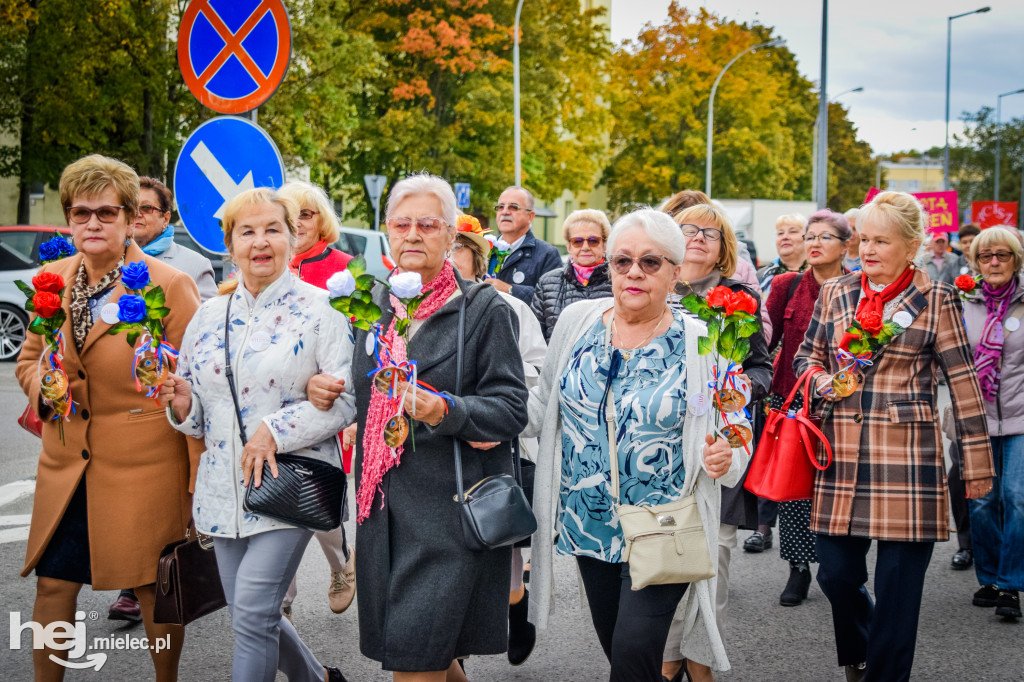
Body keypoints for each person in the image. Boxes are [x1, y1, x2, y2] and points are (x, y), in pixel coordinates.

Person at [309, 173, 528, 682]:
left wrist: (444, 410)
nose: (412, 234)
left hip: (449, 516)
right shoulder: (374, 307)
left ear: (452, 235)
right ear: (387, 231)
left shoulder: (484, 309)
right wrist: (326, 388)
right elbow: (358, 397)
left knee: (414, 659)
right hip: (382, 512)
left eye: (427, 224)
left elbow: (511, 408)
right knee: (431, 655)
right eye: (401, 223)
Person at [525, 208, 749, 681]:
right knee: (624, 654)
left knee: (631, 655)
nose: (633, 272)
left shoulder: (704, 341)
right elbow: (541, 404)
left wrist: (726, 453)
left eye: (650, 263)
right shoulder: (576, 322)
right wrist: (471, 415)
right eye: (621, 261)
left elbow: (736, 427)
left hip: (665, 525)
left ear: (674, 272)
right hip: (589, 523)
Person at [794, 190, 995, 682]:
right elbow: (806, 358)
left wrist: (977, 467)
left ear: (911, 246)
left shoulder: (938, 299)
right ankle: (860, 648)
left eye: (881, 241)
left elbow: (964, 385)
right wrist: (822, 380)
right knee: (836, 576)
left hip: (908, 459)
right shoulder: (836, 292)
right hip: (839, 454)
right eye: (864, 239)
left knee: (900, 591)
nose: (868, 250)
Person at [15, 154, 200, 680]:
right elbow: (27, 360)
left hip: (145, 467)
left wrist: (196, 480)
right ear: (69, 219)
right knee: (53, 584)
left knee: (151, 587)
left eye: (106, 213)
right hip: (68, 464)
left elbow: (194, 388)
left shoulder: (166, 284)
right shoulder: (52, 280)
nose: (92, 224)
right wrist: (44, 387)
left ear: (128, 219)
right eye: (80, 213)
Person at [161, 187, 356, 682]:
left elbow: (349, 401)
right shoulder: (208, 316)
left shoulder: (323, 308)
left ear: (294, 238)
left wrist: (275, 429)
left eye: (273, 228)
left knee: (251, 613)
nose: (260, 241)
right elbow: (201, 413)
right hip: (221, 491)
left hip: (290, 483)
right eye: (247, 231)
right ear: (230, 244)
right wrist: (183, 405)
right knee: (251, 613)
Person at [665, 202, 772, 682]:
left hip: (719, 452)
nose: (698, 238)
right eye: (687, 229)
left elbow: (762, 369)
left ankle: (702, 661)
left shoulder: (740, 298)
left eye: (711, 233)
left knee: (715, 562)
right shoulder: (650, 286)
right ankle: (667, 661)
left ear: (724, 247)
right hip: (659, 453)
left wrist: (743, 388)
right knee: (661, 562)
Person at [108, 174, 216, 623]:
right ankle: (132, 583)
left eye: (146, 211)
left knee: (166, 521)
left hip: (170, 409)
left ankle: (167, 580)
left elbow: (204, 338)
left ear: (164, 217)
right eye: (131, 211)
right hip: (118, 414)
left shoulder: (189, 267)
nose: (137, 220)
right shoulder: (105, 263)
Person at [450, 215, 547, 666]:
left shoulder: (508, 308)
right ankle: (454, 648)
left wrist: (489, 406)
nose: (445, 257)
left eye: (455, 249)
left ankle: (516, 604)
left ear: (476, 257)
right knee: (447, 559)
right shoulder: (408, 306)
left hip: (489, 445)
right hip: (434, 449)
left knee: (493, 536)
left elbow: (536, 374)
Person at [276, 180, 356, 621]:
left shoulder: (344, 267)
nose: (298, 224)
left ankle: (342, 564)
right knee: (274, 499)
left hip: (328, 406)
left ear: (320, 220)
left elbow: (361, 339)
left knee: (314, 491)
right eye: (289, 215)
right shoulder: (262, 264)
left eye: (306, 214)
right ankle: (279, 602)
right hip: (271, 406)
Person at [763, 209, 851, 607]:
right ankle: (798, 569)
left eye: (825, 237)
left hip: (845, 402)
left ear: (846, 245)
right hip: (792, 398)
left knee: (841, 488)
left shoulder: (861, 287)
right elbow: (765, 344)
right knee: (795, 491)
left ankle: (842, 572)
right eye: (810, 237)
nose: (814, 243)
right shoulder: (785, 285)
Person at [962, 225, 1024, 621]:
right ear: (977, 262)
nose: (995, 263)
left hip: (1020, 419)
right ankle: (988, 577)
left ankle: (1011, 583)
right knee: (983, 502)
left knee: (1017, 499)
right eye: (987, 256)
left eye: (1003, 255)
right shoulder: (964, 301)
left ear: (1016, 260)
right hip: (977, 418)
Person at [531, 209, 613, 341]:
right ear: (569, 246)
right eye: (577, 241)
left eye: (593, 240)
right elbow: (535, 339)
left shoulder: (619, 281)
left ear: (604, 244)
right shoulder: (547, 283)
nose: (585, 247)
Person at [485, 185, 562, 304]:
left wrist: (510, 290)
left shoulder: (547, 254)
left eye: (513, 207)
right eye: (500, 207)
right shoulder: (483, 248)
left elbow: (552, 298)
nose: (505, 211)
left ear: (530, 216)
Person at [282, 180, 353, 287]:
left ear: (323, 220)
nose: (295, 223)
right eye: (288, 215)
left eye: (304, 214)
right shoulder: (271, 268)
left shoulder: (348, 267)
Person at [757, 214, 807, 293]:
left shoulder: (818, 274)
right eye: (780, 233)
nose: (785, 237)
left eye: (792, 231)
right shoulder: (761, 276)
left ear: (807, 238)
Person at [843, 208, 862, 272]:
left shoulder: (868, 257)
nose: (851, 233)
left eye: (855, 229)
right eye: (848, 229)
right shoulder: (836, 256)